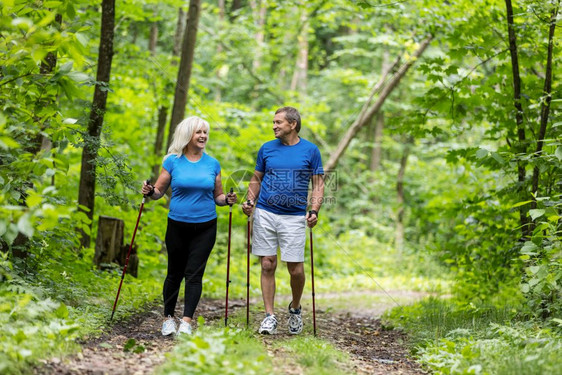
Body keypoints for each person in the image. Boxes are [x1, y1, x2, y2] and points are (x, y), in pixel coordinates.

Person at [142, 116, 237, 336]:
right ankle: (168, 318)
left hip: (205, 227)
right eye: (199, 132)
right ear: (188, 135)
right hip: (177, 225)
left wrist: (228, 200)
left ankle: (185, 321)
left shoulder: (212, 164)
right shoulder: (173, 161)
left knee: (194, 274)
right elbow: (158, 192)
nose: (203, 136)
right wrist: (149, 192)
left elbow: (219, 196)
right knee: (174, 273)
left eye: (205, 132)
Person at [242, 106, 324, 335]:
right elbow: (256, 178)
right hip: (266, 212)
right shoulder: (267, 149)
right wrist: (249, 201)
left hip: (295, 216)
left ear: (292, 124)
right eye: (274, 122)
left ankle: (295, 309)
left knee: (295, 269)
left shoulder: (310, 150)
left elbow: (318, 184)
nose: (274, 126)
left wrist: (314, 209)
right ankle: (269, 316)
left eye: (278, 122)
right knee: (268, 263)